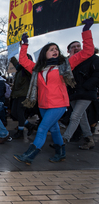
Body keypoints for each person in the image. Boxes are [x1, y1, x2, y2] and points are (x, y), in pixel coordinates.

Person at [13, 18, 94, 165]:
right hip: (43, 105)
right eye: (52, 49)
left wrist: (86, 31)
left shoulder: (65, 64)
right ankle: (60, 153)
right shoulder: (37, 68)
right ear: (45, 54)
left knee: (43, 128)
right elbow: (23, 60)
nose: (55, 51)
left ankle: (29, 155)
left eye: (56, 49)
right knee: (55, 130)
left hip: (58, 104)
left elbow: (88, 52)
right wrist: (24, 45)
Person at [62, 25, 99, 150]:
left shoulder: (92, 58)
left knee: (75, 116)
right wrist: (71, 59)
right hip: (73, 93)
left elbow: (97, 74)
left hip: (86, 93)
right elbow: (65, 76)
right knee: (82, 118)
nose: (77, 48)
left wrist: (87, 86)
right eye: (73, 47)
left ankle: (63, 140)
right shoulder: (68, 62)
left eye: (78, 46)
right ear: (69, 50)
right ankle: (89, 140)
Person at [10, 56, 36, 139]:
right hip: (17, 94)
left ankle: (20, 131)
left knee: (20, 113)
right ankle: (29, 125)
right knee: (14, 113)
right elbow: (17, 64)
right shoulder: (19, 70)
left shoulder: (28, 70)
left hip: (24, 95)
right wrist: (12, 58)